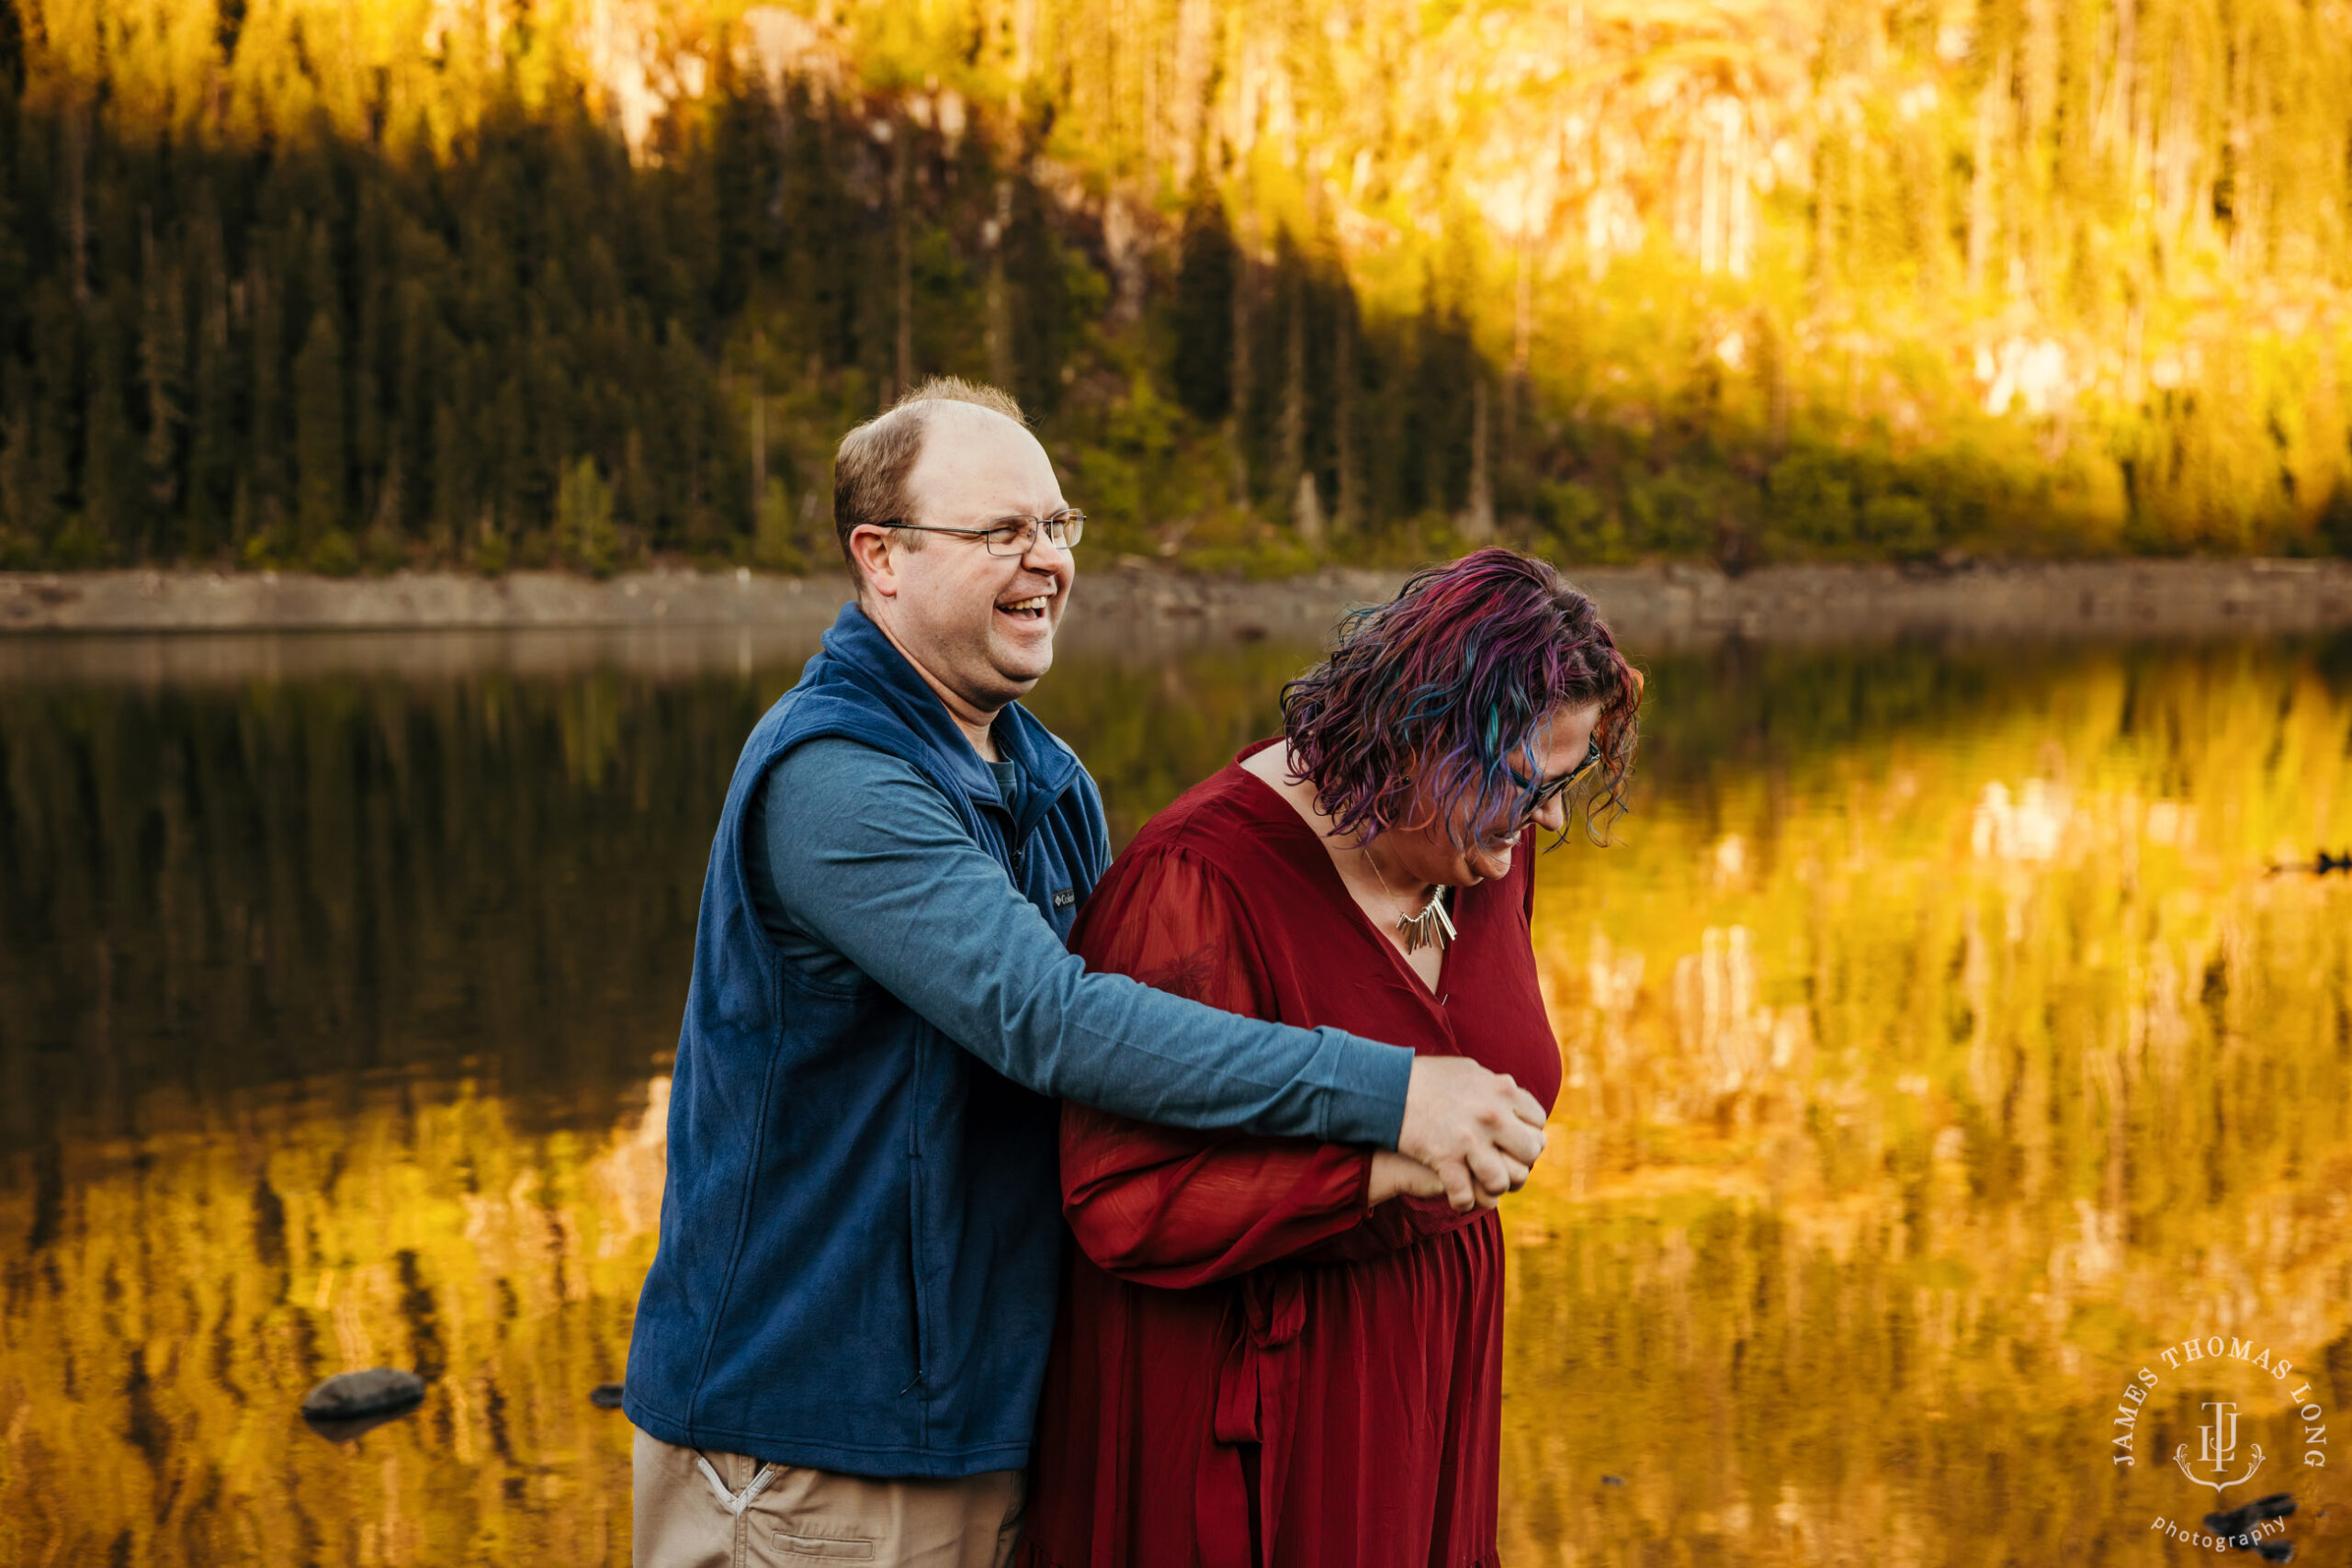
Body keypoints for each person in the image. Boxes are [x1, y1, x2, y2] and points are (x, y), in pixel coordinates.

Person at [623, 378, 1551, 1568]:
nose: (1044, 559)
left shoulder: (1044, 775)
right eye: (999, 530)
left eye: (1057, 525)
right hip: (810, 1442)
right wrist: (1394, 1092)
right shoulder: (837, 783)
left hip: (988, 1413)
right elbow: (1052, 1020)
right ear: (882, 557)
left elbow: (1145, 1076)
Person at [1016, 548, 1643, 1568]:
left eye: (1566, 782)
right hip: (1258, 1397)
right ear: (1420, 744)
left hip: (1424, 1377)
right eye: (1531, 785)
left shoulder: (1482, 845)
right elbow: (1120, 1200)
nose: (1550, 821)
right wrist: (1382, 1167)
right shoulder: (1195, 882)